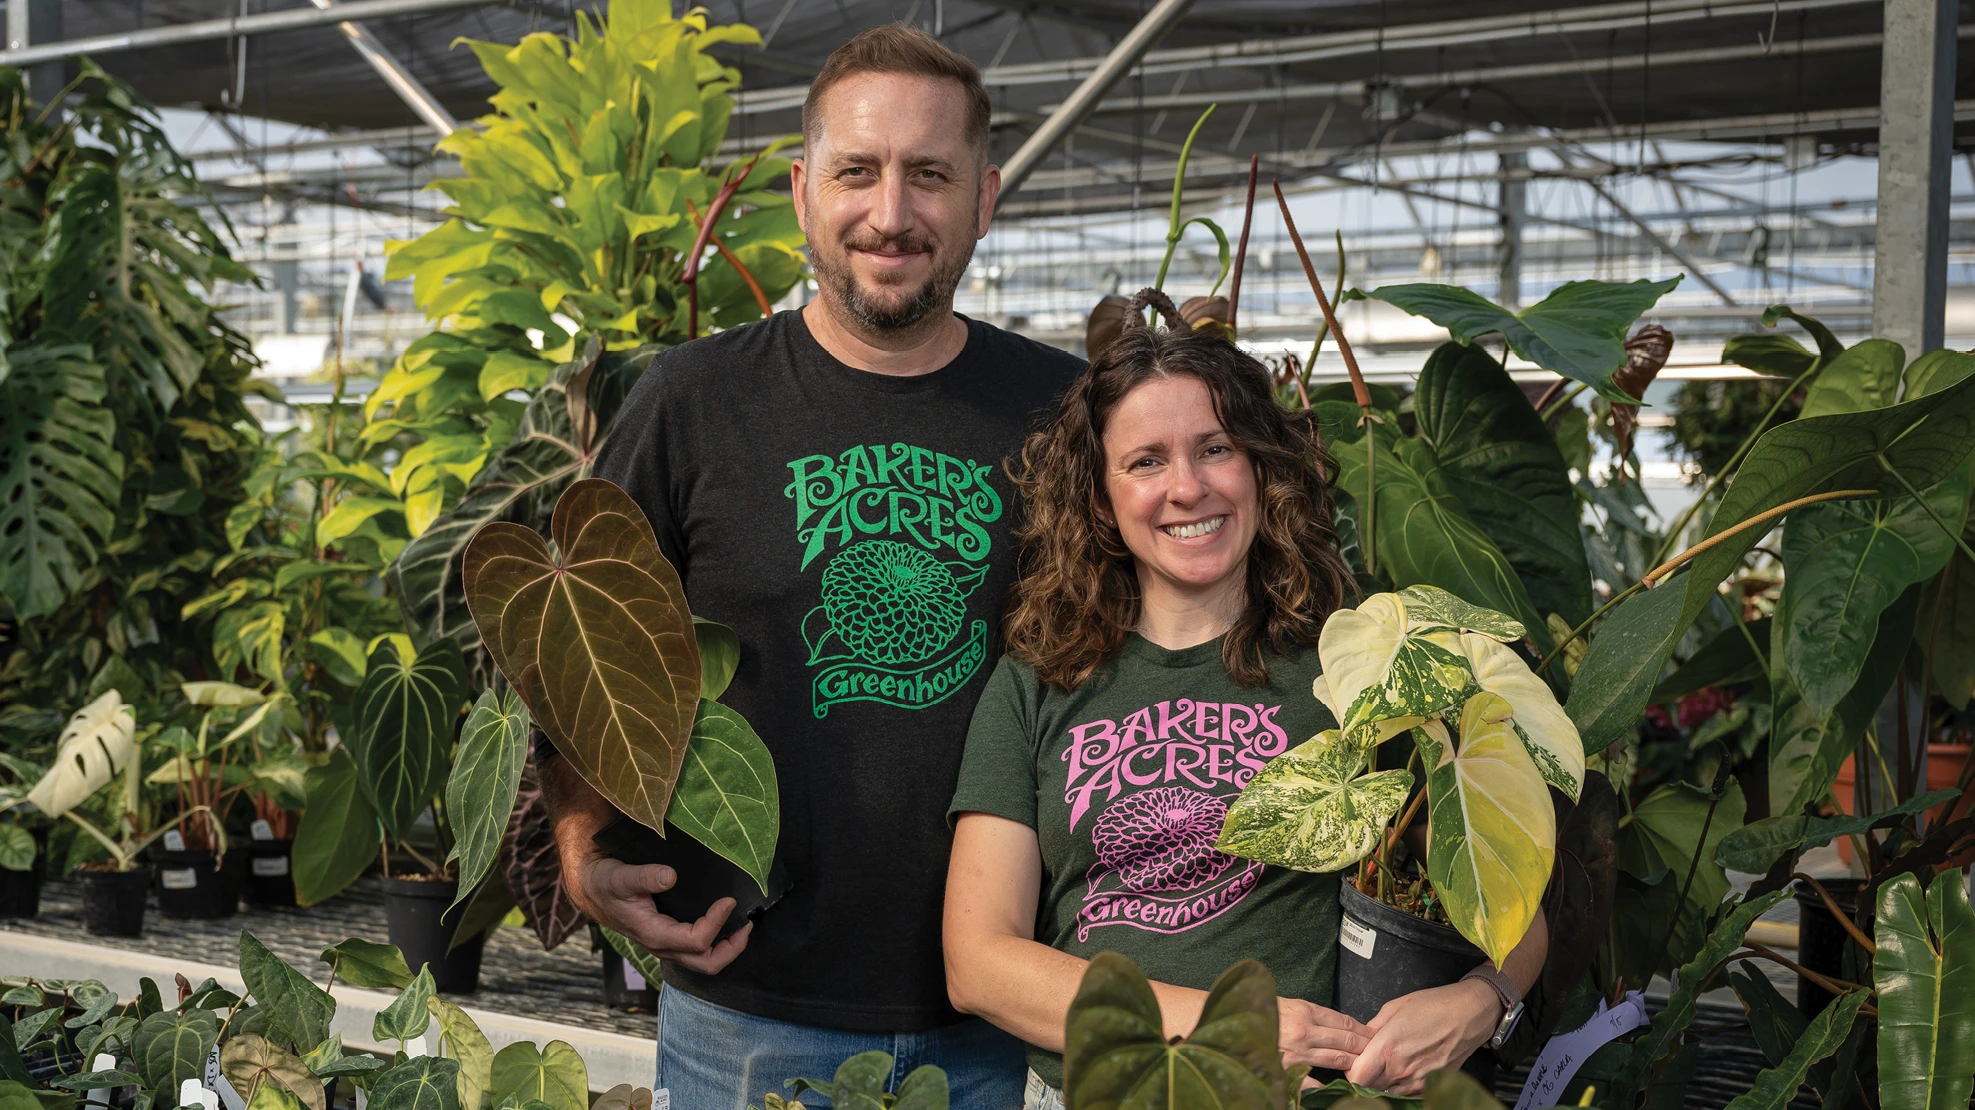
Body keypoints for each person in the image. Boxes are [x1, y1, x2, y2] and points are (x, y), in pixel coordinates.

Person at [539, 23, 1083, 1110]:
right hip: (747, 1009)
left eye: (929, 175)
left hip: (994, 1018)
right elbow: (581, 656)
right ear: (801, 193)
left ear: (983, 198)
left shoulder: (1062, 413)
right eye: (857, 172)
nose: (890, 214)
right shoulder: (691, 403)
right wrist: (580, 846)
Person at [942, 288, 1547, 1108]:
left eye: (1215, 448)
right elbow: (976, 962)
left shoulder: (1354, 667)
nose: (1186, 488)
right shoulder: (1037, 681)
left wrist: (1480, 1001)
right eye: (1145, 461)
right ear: (1099, 498)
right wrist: (1223, 1027)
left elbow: (1504, 890)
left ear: (1261, 467)